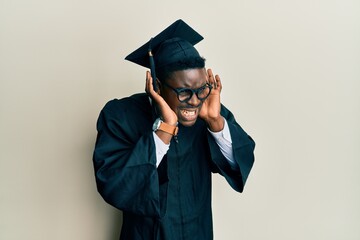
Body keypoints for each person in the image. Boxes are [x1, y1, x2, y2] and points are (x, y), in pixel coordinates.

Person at [93, 19, 255, 240]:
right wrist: (165, 128)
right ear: (157, 86)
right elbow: (115, 185)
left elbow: (240, 161)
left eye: (201, 89)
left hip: (198, 232)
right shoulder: (120, 116)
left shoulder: (207, 110)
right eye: (184, 92)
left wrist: (216, 122)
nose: (194, 101)